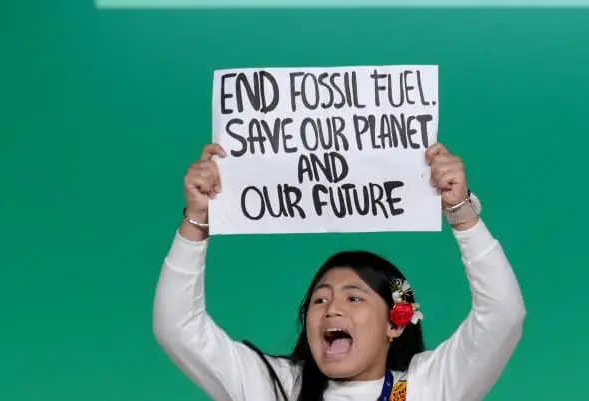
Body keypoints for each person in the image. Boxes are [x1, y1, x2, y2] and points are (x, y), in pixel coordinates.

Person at [154, 142, 526, 401]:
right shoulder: (280, 388)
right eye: (319, 299)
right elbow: (178, 326)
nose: (331, 309)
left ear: (395, 322)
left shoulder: (420, 389)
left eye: (353, 297)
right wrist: (198, 219)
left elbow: (503, 315)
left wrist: (461, 212)